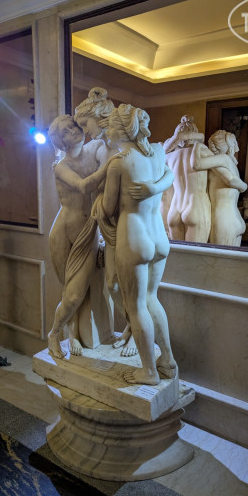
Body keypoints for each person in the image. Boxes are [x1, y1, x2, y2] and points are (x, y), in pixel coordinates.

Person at [95, 103, 177, 385]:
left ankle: (149, 372)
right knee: (152, 299)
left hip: (134, 237)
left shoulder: (119, 163)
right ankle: (167, 360)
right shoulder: (157, 151)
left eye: (109, 126)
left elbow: (107, 208)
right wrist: (154, 187)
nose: (107, 131)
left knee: (137, 306)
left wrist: (97, 201)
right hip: (159, 237)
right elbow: (170, 175)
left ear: (121, 129)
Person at [48, 114, 119, 358]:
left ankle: (68, 333)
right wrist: (111, 165)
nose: (73, 131)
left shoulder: (95, 147)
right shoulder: (61, 166)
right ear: (61, 141)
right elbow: (84, 186)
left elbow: (108, 151)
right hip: (63, 231)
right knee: (70, 291)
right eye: (65, 132)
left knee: (77, 293)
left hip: (89, 230)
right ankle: (60, 335)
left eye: (73, 126)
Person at [75, 87, 137, 356]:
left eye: (85, 123)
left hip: (127, 222)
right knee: (112, 283)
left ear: (100, 118)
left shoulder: (124, 148)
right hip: (107, 223)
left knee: (132, 284)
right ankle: (133, 328)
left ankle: (136, 333)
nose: (84, 131)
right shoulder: (98, 147)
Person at [191, 129, 248, 246]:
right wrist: (243, 186)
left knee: (220, 257)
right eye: (235, 144)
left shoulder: (224, 159)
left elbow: (196, 164)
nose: (237, 148)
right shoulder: (227, 163)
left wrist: (196, 146)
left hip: (224, 219)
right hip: (235, 217)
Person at [163, 115, 211, 243]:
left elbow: (160, 155)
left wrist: (176, 139)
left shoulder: (169, 157)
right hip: (195, 206)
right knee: (195, 254)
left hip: (174, 210)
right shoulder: (203, 152)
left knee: (177, 253)